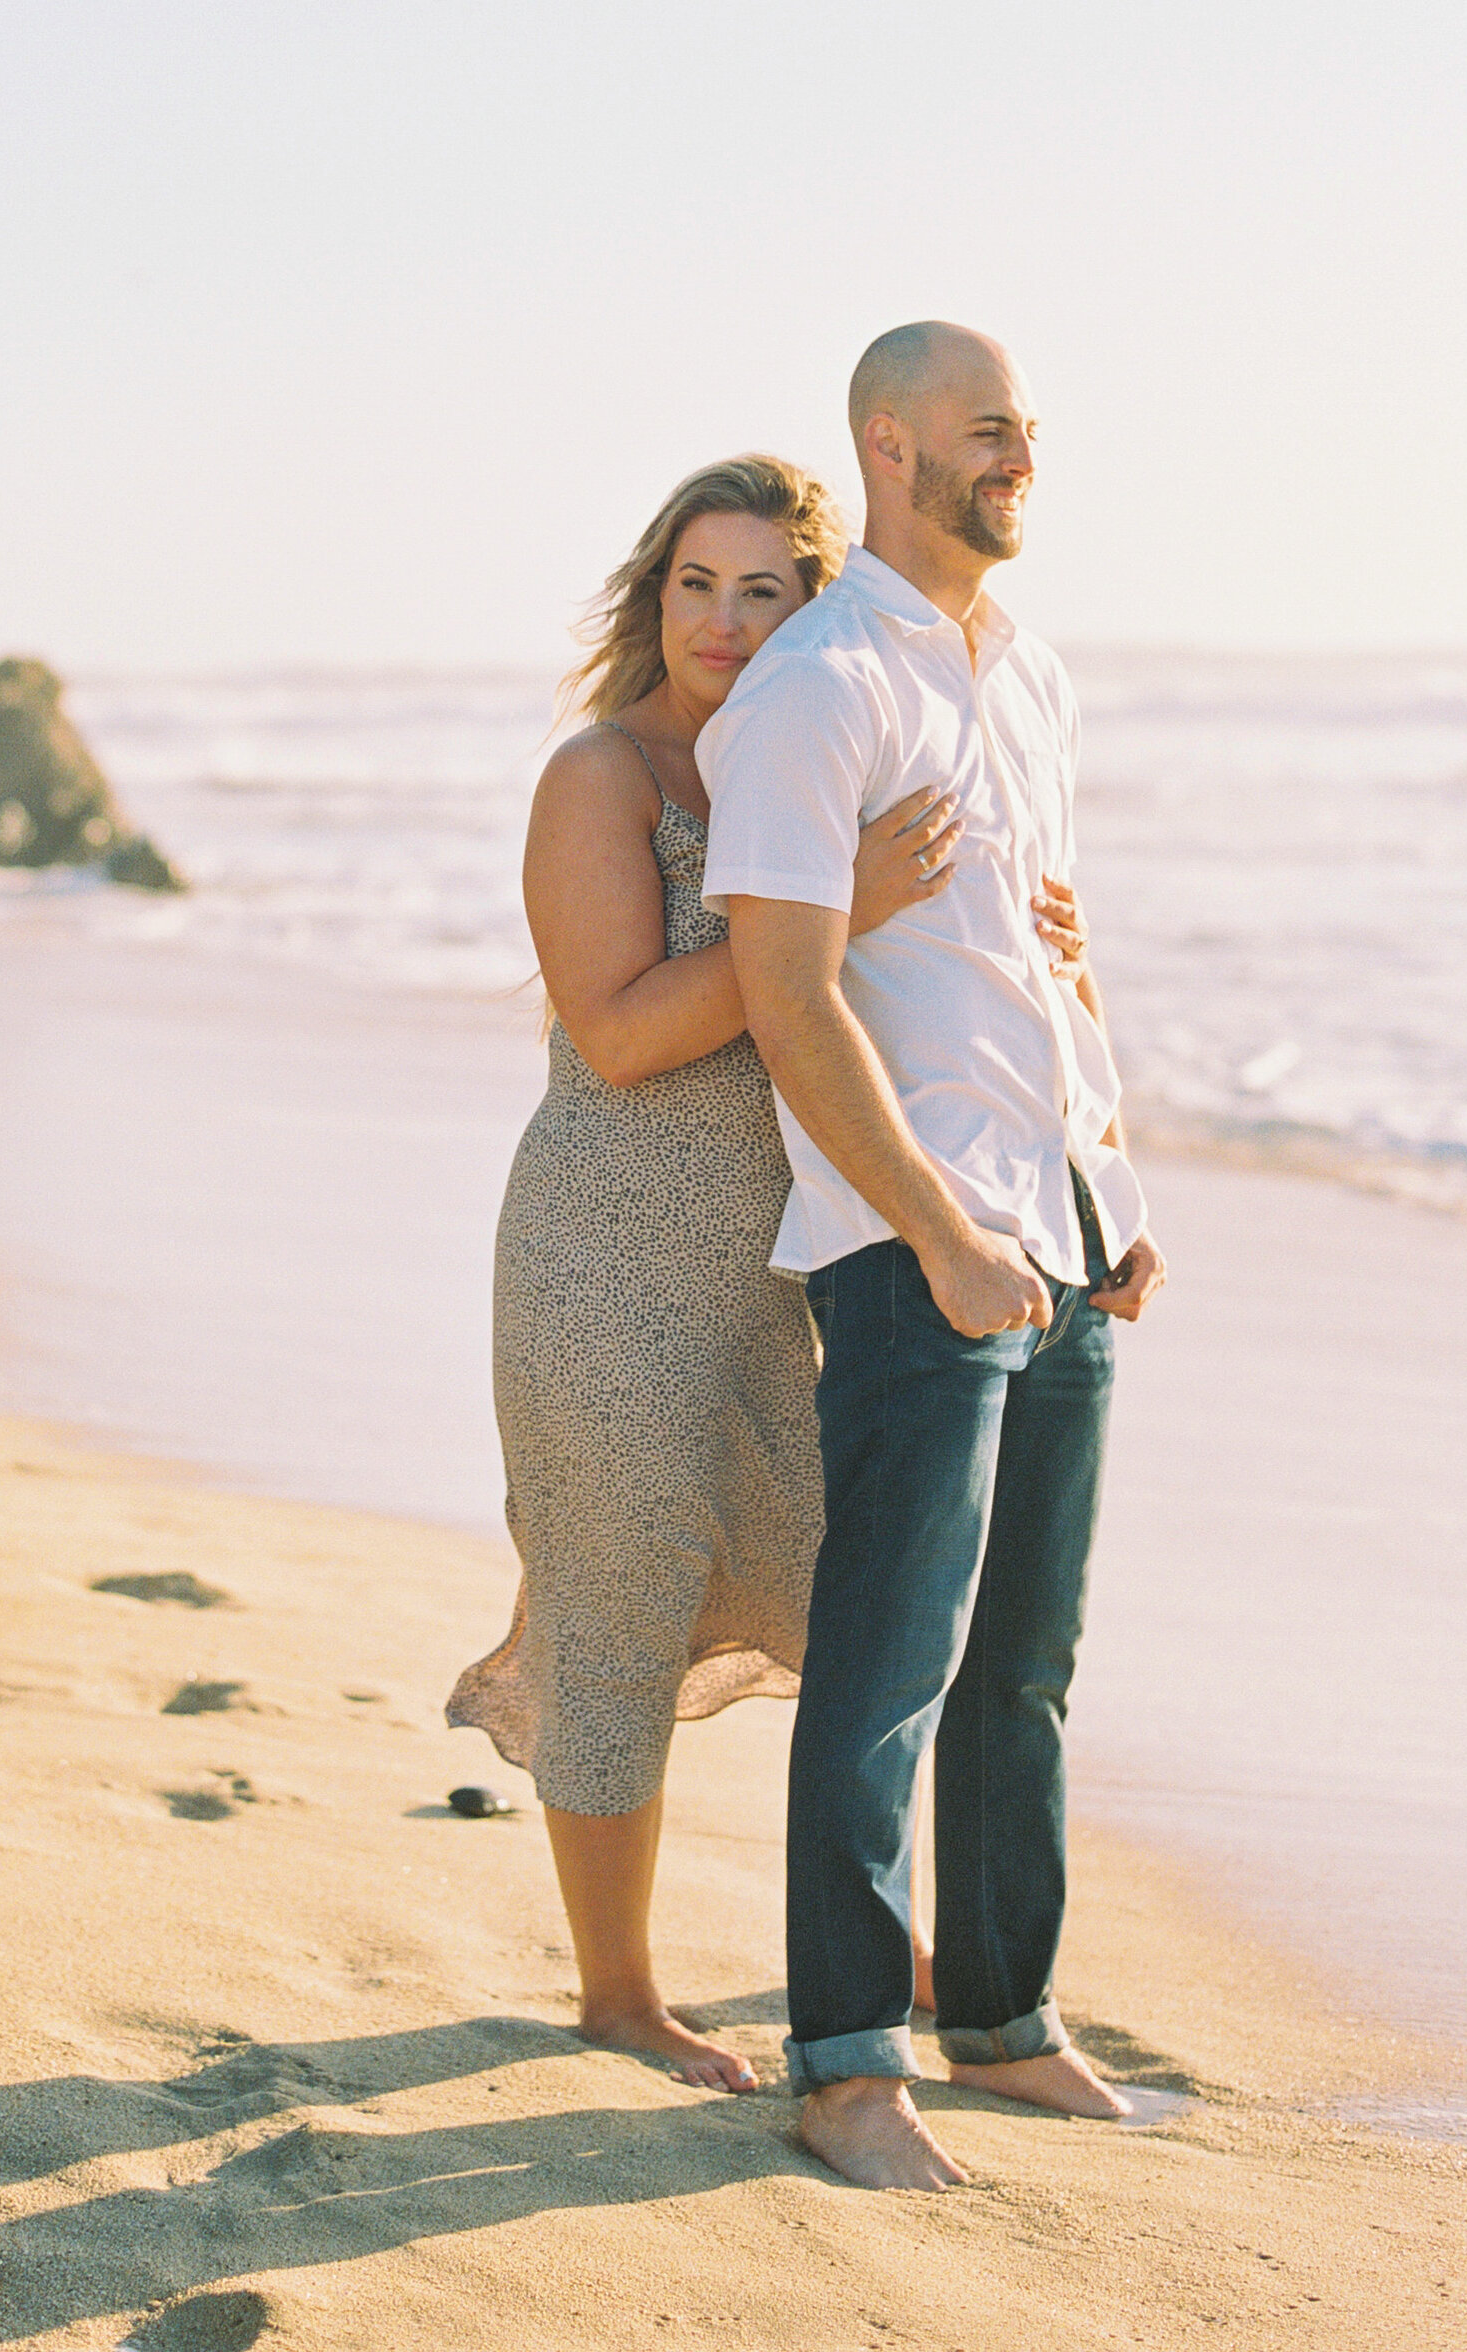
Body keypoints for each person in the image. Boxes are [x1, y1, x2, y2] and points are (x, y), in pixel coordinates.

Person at [698, 321, 1170, 2189]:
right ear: (890, 446)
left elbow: (1039, 957)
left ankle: (1001, 2016)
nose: (1021, 455)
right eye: (990, 430)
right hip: (919, 1239)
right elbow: (788, 994)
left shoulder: (1028, 675)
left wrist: (1106, 1187)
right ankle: (845, 2061)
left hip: (1053, 1222)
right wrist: (943, 1227)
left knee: (1027, 1661)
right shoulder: (819, 688)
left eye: (1030, 429)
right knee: (891, 1660)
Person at [445, 454, 964, 2092]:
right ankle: (618, 1994)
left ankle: (877, 1939)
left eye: (765, 592)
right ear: (651, 596)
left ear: (816, 612)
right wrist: (822, 921)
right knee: (619, 1612)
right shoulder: (605, 775)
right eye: (695, 584)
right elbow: (614, 1034)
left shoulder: (823, 763)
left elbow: (946, 955)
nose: (725, 622)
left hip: (778, 1270)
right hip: (603, 1257)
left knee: (842, 1603)